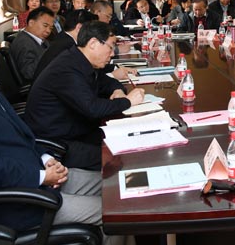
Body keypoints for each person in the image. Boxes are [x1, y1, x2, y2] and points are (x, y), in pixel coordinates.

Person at [0, 19, 132, 245]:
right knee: (118, 212)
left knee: (120, 185)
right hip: (16, 202)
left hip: (36, 176)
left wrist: (46, 159)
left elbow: (23, 136)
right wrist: (41, 176)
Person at [24, 21, 145, 171]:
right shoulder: (67, 68)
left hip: (79, 129)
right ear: (93, 43)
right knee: (121, 157)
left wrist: (118, 91)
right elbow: (92, 108)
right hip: (58, 143)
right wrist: (128, 101)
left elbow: (107, 82)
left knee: (129, 139)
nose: (112, 53)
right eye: (110, 47)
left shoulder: (80, 59)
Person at [34, 9, 98, 79]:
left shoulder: (63, 38)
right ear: (79, 27)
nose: (94, 35)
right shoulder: (68, 46)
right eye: (91, 30)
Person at [9, 6, 54, 81]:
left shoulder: (38, 39)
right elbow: (28, 73)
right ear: (31, 23)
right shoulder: (24, 43)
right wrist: (48, 53)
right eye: (45, 26)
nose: (48, 31)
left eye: (51, 28)